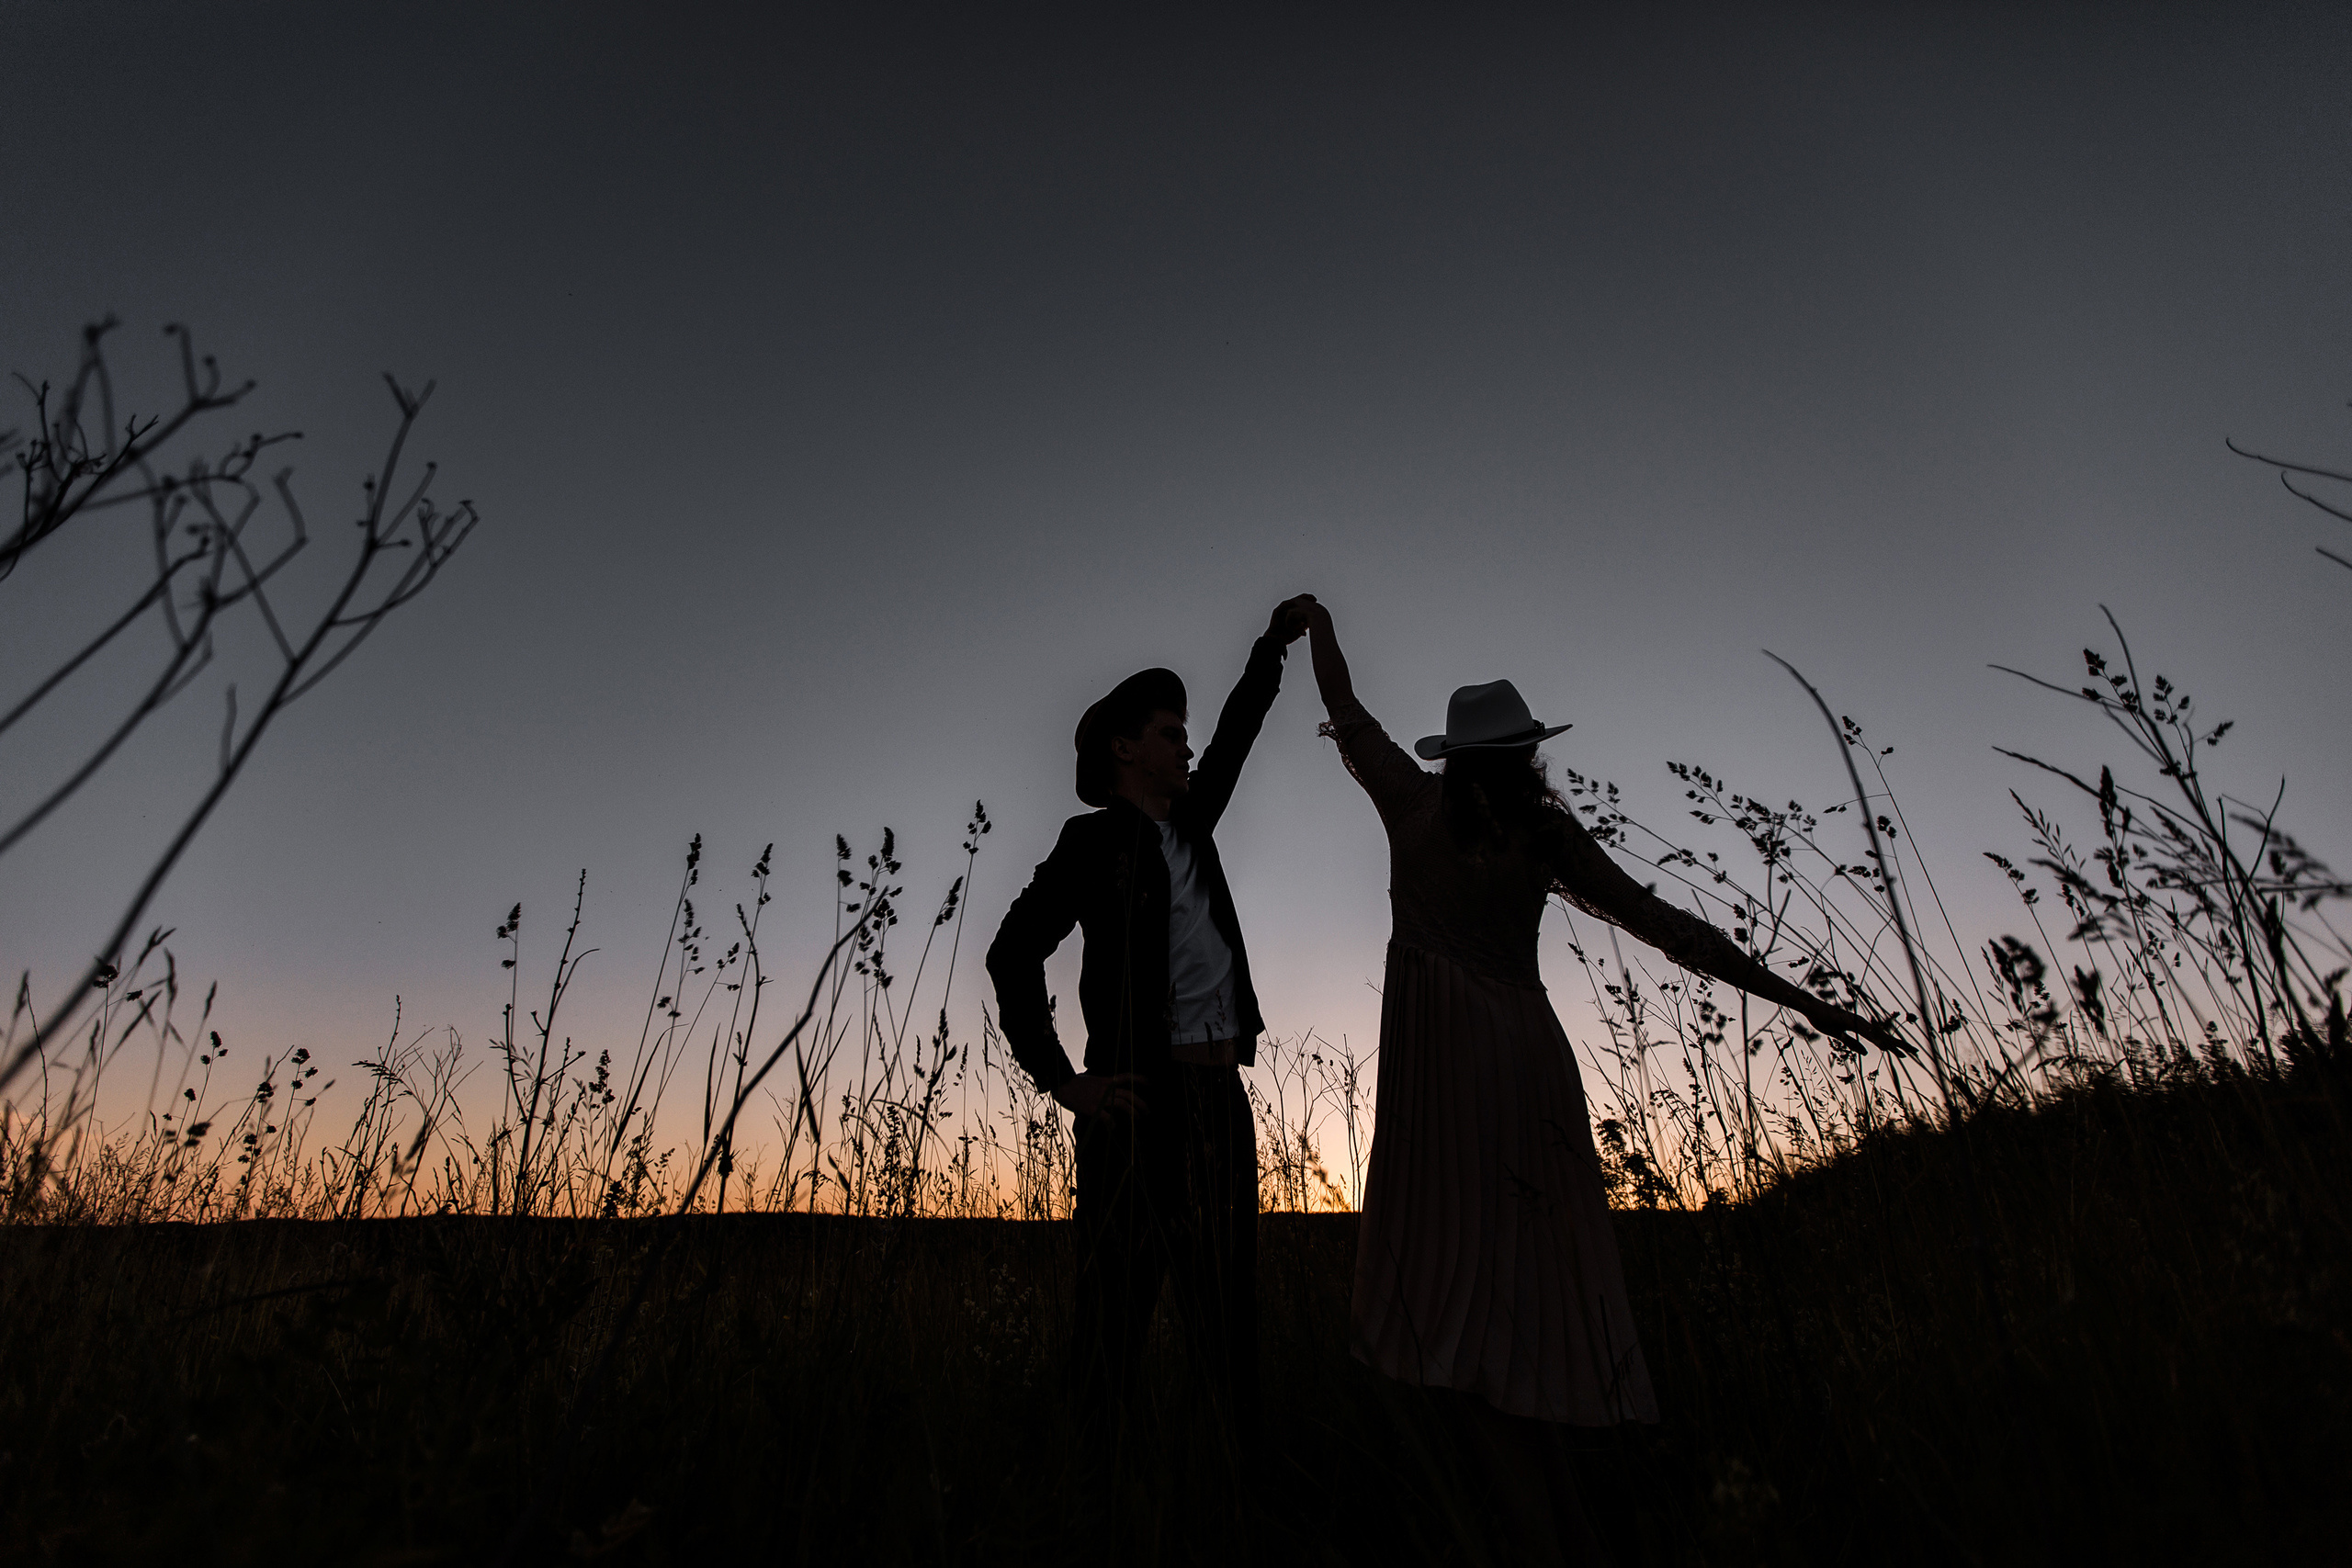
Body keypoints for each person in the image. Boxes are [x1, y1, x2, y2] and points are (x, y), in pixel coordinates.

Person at [1295, 596, 1904, 1564]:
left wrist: (1315, 618)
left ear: (1456, 757)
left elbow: (1345, 704)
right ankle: (1569, 1530)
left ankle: (1546, 1537)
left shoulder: (1413, 805)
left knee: (1457, 1315)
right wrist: (1810, 1003)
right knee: (1520, 1303)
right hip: (1527, 1063)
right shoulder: (1545, 837)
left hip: (1447, 1076)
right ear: (1526, 755)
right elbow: (1672, 929)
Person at [986, 595, 1315, 1472]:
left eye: (1185, 733)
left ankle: (1241, 1492)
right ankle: (1090, 1495)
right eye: (1170, 733)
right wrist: (1065, 1080)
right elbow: (1012, 952)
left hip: (1220, 1100)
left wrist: (1271, 648)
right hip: (1136, 1103)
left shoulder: (1194, 824)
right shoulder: (1089, 843)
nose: (1187, 746)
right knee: (1113, 1317)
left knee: (1227, 1317)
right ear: (1123, 748)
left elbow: (1238, 733)